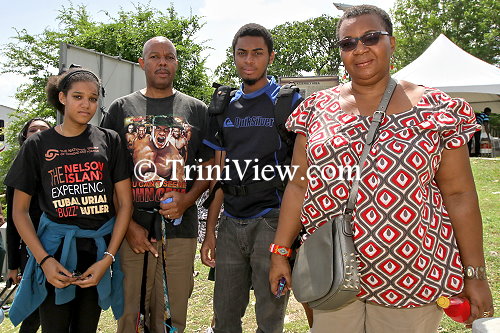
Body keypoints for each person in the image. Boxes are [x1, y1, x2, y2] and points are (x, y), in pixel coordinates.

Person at [269, 5, 494, 333]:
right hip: (332, 272)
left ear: (393, 41)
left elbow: (459, 195)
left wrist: (475, 275)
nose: (360, 48)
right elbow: (298, 186)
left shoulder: (435, 109)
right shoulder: (316, 109)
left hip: (411, 275)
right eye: (348, 43)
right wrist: (279, 251)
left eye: (371, 37)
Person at [4, 67, 133, 332]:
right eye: (78, 96)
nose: (87, 104)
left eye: (93, 98)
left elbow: (124, 205)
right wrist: (44, 261)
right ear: (62, 97)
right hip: (54, 253)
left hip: (96, 256)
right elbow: (19, 212)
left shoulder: (110, 140)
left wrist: (107, 259)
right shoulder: (38, 144)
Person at [101, 36, 213, 333]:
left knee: (172, 313)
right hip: (132, 230)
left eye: (169, 57)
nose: (162, 62)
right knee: (130, 316)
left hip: (179, 229)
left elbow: (213, 164)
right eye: (154, 57)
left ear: (176, 63)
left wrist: (187, 201)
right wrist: (127, 227)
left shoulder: (196, 109)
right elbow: (107, 174)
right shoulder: (120, 108)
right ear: (142, 63)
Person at [201, 23, 302, 333]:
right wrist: (211, 231)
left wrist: (290, 239)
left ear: (270, 57)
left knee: (270, 318)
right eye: (241, 53)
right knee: (225, 317)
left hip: (272, 220)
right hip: (231, 220)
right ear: (233, 57)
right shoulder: (222, 106)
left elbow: (302, 175)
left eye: (257, 53)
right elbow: (219, 174)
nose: (249, 60)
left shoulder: (288, 102)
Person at [5, 117, 51, 333]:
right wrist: (13, 265)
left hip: (64, 245)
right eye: (34, 130)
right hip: (32, 250)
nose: (39, 132)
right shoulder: (19, 171)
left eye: (44, 129)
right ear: (25, 136)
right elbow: (14, 224)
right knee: (35, 310)